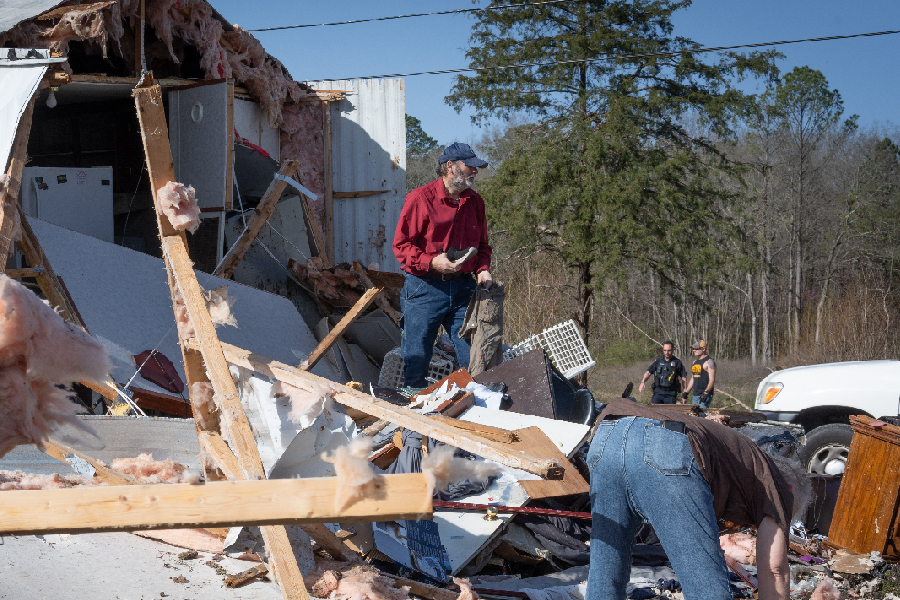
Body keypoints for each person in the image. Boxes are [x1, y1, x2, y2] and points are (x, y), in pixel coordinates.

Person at [586, 398, 809, 600]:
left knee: (605, 574)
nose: (755, 527)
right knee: (707, 589)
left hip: (607, 435)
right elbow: (774, 570)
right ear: (789, 490)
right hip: (663, 444)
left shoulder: (747, 468)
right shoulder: (779, 486)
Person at [392, 142, 493, 390]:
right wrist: (432, 261)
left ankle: (475, 404)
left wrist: (482, 269)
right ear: (450, 166)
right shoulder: (420, 199)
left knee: (475, 353)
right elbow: (401, 246)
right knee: (417, 356)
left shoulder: (475, 202)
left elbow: (482, 246)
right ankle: (413, 412)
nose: (474, 171)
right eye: (470, 166)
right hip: (424, 288)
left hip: (462, 289)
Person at [683, 339, 716, 408]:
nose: (694, 350)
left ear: (703, 349)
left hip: (705, 395)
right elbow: (693, 378)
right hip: (695, 394)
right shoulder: (694, 362)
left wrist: (706, 393)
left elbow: (712, 380)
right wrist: (686, 392)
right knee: (695, 415)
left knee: (702, 416)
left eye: (696, 348)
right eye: (693, 348)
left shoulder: (709, 362)